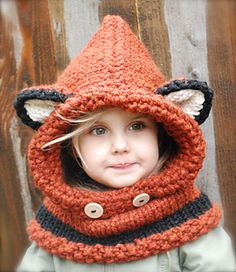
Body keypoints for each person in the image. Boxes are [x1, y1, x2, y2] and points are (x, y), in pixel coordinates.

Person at [14, 15, 235, 272]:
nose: (120, 146)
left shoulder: (186, 217)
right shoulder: (57, 224)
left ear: (162, 133)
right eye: (98, 130)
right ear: (72, 146)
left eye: (137, 126)